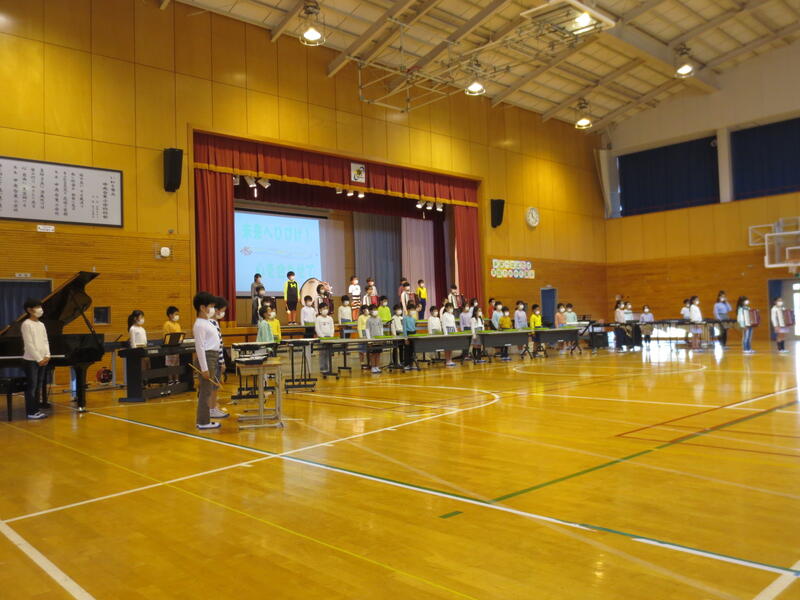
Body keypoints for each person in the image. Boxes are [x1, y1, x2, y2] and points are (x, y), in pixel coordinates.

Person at [192, 291, 222, 430]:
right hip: (207, 357)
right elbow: (200, 347)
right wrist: (204, 368)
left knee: (208, 390)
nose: (213, 309)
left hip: (213, 357)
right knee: (206, 391)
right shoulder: (199, 324)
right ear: (202, 307)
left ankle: (204, 420)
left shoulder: (208, 322)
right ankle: (203, 422)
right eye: (210, 306)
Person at [21, 298, 50, 420]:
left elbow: (45, 340)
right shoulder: (26, 324)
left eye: (40, 306)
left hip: (43, 359)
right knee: (32, 387)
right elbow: (29, 344)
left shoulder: (41, 324)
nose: (40, 309)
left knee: (38, 385)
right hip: (31, 360)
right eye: (37, 307)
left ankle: (36, 410)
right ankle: (31, 412)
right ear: (29, 310)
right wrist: (39, 359)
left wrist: (47, 355)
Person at [207, 298, 229, 419]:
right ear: (216, 310)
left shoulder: (214, 323)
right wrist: (222, 362)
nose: (223, 313)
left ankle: (213, 407)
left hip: (216, 358)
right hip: (214, 358)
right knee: (213, 386)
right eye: (222, 310)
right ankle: (211, 409)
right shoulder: (211, 323)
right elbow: (218, 345)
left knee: (215, 386)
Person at [163, 306, 182, 385]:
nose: (177, 316)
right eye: (176, 314)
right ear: (170, 315)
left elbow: (180, 335)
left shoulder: (177, 324)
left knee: (176, 364)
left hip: (177, 347)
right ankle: (170, 380)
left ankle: (176, 379)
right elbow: (166, 336)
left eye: (178, 314)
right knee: (170, 364)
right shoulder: (167, 324)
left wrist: (180, 340)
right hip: (169, 347)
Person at [315, 303, 335, 372]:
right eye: (323, 308)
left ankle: (328, 367)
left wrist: (331, 335)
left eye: (326, 308)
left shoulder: (330, 318)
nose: (325, 310)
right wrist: (322, 336)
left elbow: (332, 327)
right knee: (322, 354)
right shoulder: (318, 318)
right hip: (322, 339)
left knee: (328, 353)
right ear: (320, 310)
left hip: (329, 338)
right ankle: (322, 368)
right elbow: (317, 329)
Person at [365, 306, 384, 373]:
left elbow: (381, 328)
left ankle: (377, 366)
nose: (375, 311)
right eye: (373, 310)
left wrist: (382, 338)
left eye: (376, 309)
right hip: (372, 340)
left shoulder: (379, 319)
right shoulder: (368, 320)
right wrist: (369, 341)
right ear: (370, 311)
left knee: (378, 353)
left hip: (379, 339)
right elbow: (367, 330)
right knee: (373, 354)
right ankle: (373, 367)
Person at [402, 303, 419, 370]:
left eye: (414, 310)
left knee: (412, 350)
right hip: (408, 334)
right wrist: (406, 339)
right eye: (411, 310)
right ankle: (406, 365)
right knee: (407, 350)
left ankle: (411, 364)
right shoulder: (405, 318)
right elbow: (404, 329)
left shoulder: (413, 319)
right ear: (408, 310)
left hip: (413, 334)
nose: (413, 311)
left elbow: (414, 328)